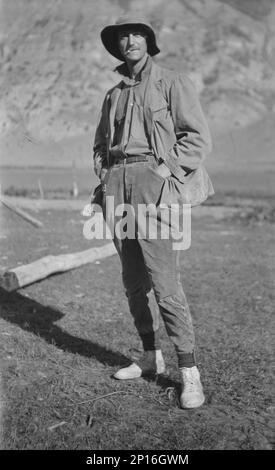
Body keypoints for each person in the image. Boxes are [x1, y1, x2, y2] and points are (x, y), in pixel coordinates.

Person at [92, 16, 213, 409]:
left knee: (165, 284)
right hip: (118, 187)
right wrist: (106, 171)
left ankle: (189, 374)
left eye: (138, 35)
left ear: (149, 42)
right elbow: (100, 145)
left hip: (154, 184)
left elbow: (196, 137)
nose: (130, 41)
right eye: (124, 36)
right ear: (118, 46)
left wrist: (163, 171)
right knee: (132, 281)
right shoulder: (113, 94)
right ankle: (148, 356)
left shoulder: (171, 82)